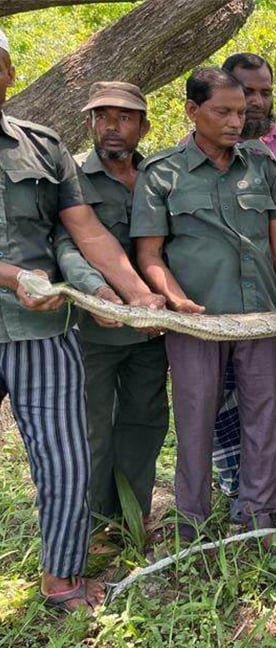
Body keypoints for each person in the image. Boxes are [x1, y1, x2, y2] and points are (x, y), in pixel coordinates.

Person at [0, 28, 165, 612]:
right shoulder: (67, 157)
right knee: (82, 440)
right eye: (104, 116)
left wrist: (140, 295)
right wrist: (21, 278)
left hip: (46, 331)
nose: (114, 126)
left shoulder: (42, 148)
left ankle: (70, 572)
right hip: (53, 312)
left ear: (9, 72)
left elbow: (87, 231)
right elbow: (54, 250)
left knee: (73, 453)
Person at [131, 67, 276, 541]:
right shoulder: (161, 173)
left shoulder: (262, 165)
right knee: (194, 422)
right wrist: (174, 299)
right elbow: (149, 255)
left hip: (262, 317)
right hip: (197, 322)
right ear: (192, 111)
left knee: (264, 417)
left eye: (242, 111)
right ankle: (192, 523)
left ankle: (256, 516)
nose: (235, 121)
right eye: (223, 111)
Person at [55, 82, 169, 531]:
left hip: (152, 330)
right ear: (89, 123)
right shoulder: (71, 178)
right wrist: (101, 292)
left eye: (123, 118)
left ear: (143, 125)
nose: (111, 127)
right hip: (95, 331)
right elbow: (66, 245)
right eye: (101, 117)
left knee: (145, 423)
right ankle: (93, 527)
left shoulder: (161, 175)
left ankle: (132, 518)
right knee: (92, 432)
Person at [212, 52, 276, 503]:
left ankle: (275, 487)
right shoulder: (201, 147)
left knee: (272, 395)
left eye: (265, 92)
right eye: (248, 91)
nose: (257, 101)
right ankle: (234, 486)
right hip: (219, 298)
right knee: (224, 399)